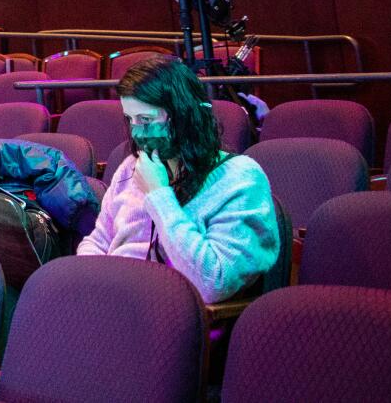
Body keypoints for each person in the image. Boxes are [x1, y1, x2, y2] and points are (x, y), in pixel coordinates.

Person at [77, 56, 279, 302]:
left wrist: (158, 195)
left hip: (175, 317)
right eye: (130, 120)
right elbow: (98, 241)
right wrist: (92, 286)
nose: (137, 132)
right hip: (116, 302)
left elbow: (212, 284)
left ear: (184, 116)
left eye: (146, 120)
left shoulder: (240, 178)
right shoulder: (131, 167)